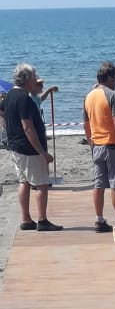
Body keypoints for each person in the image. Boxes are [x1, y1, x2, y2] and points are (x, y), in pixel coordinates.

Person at [3, 63, 62, 231]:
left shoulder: (10, 95)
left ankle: (26, 219)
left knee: (24, 182)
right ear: (27, 79)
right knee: (42, 184)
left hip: (15, 146)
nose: (36, 80)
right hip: (29, 149)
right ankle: (42, 220)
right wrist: (42, 152)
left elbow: (2, 111)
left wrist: (7, 128)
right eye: (34, 76)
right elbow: (28, 127)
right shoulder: (24, 98)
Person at [83, 61, 115, 233]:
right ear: (110, 78)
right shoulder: (113, 95)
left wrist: (91, 143)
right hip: (112, 145)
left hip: (97, 145)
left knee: (98, 184)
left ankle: (99, 219)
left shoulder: (89, 96)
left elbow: (86, 125)